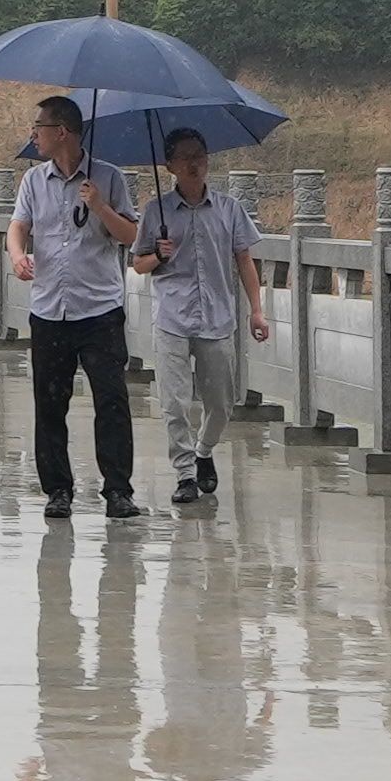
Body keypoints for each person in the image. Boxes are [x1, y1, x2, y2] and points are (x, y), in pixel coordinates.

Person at [8, 95, 144, 521]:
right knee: (50, 403)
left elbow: (130, 237)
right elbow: (18, 225)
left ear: (62, 131)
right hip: (50, 310)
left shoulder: (109, 177)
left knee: (112, 401)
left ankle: (118, 490)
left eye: (39, 127)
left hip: (99, 309)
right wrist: (17, 254)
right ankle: (58, 490)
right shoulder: (33, 180)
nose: (34, 135)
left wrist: (99, 205)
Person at [131, 128, 268, 506]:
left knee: (222, 403)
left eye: (200, 155)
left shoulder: (229, 209)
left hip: (217, 318)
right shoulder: (155, 211)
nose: (194, 163)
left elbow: (244, 260)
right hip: (172, 318)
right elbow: (138, 264)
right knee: (174, 402)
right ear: (169, 166)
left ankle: (204, 449)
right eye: (185, 157)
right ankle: (185, 474)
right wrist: (158, 255)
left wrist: (257, 311)